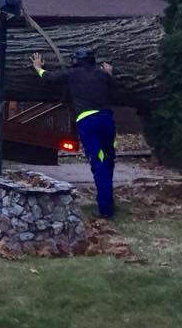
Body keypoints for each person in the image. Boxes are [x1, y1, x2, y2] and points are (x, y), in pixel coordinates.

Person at [30, 47, 117, 218]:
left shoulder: (72, 74)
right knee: (108, 160)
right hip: (107, 120)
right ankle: (108, 201)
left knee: (98, 164)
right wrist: (109, 74)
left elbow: (49, 79)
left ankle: (106, 210)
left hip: (88, 122)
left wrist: (38, 68)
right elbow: (115, 88)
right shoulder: (102, 75)